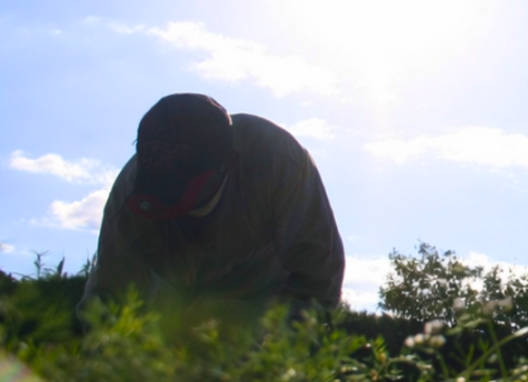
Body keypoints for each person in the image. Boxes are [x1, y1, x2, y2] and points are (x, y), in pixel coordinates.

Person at [79, 93, 345, 325]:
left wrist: (278, 360)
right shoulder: (130, 193)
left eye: (181, 193)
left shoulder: (278, 162)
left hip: (265, 299)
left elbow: (319, 275)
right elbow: (109, 293)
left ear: (225, 167)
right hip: (175, 299)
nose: (171, 210)